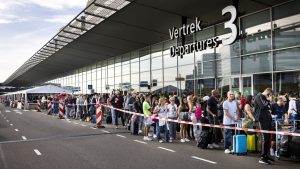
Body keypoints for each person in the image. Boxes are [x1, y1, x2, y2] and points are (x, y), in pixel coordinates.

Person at [254, 88, 274, 165]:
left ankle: (266, 155)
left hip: (267, 120)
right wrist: (269, 101)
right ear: (267, 93)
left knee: (268, 138)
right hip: (261, 120)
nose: (270, 97)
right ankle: (262, 157)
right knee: (264, 138)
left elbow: (268, 107)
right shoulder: (258, 96)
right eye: (270, 95)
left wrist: (268, 102)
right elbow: (263, 106)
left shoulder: (264, 98)